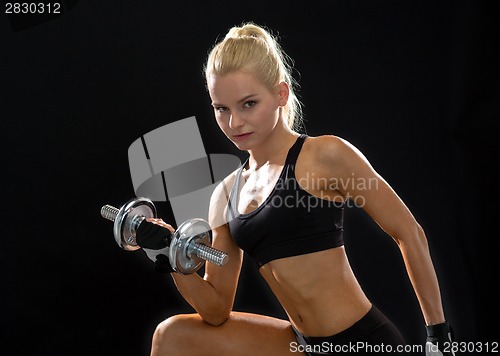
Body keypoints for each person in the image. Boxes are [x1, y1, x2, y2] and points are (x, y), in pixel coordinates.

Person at [144, 22, 454, 355]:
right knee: (171, 336)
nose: (234, 123)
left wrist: (438, 335)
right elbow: (216, 310)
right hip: (301, 346)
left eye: (248, 104)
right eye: (222, 109)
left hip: (361, 342)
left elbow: (408, 232)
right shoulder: (226, 194)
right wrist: (171, 257)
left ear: (281, 93)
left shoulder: (325, 156)